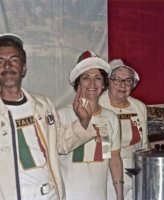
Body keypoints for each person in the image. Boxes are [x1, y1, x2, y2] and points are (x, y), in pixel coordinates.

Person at [0, 33, 97, 200]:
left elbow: (61, 144)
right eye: (0, 61)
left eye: (14, 59)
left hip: (50, 195)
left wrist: (84, 121)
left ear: (24, 68)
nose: (7, 66)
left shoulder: (43, 104)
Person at [58, 50, 124, 200]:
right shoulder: (61, 115)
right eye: (86, 78)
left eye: (98, 78)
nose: (92, 84)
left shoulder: (110, 118)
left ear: (104, 84)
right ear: (78, 83)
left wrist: (119, 195)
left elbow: (113, 158)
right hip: (69, 195)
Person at [99, 59, 149, 200]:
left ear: (133, 85)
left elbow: (145, 143)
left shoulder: (139, 107)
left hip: (137, 170)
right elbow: (105, 149)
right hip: (108, 173)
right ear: (108, 81)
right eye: (117, 80)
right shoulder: (98, 106)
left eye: (128, 81)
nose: (122, 85)